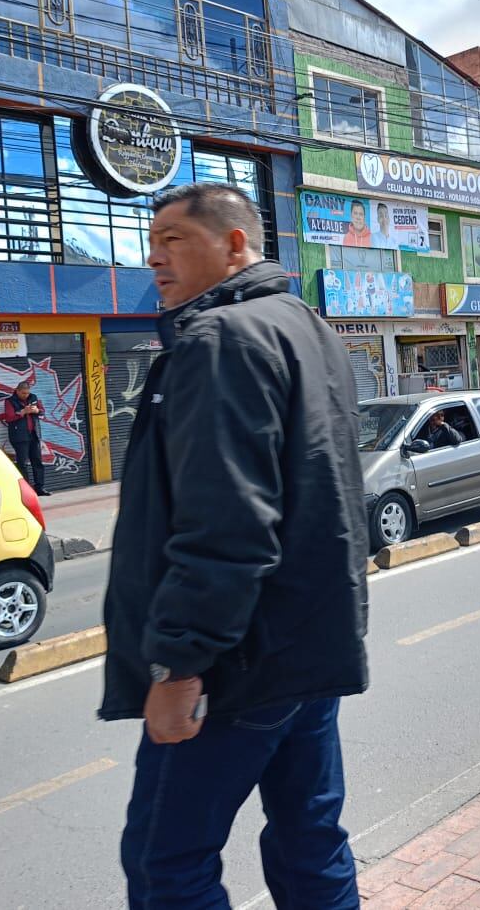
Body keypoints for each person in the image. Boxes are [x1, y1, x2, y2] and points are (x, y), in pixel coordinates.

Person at [100, 182, 369, 909]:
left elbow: (228, 522)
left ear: (234, 245)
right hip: (307, 648)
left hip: (234, 667)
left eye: (173, 240)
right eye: (151, 243)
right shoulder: (306, 327)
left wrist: (179, 665)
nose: (154, 258)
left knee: (165, 865)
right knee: (310, 840)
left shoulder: (219, 340)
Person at [2, 381, 49, 496]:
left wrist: (37, 411)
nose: (26, 395)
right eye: (23, 393)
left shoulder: (33, 397)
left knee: (37, 461)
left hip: (34, 434)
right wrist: (22, 412)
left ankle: (40, 488)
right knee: (22, 463)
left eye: (27, 393)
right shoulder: (10, 401)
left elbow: (42, 411)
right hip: (19, 436)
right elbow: (9, 417)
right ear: (17, 391)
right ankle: (26, 490)